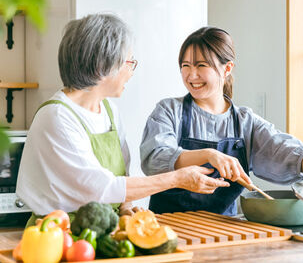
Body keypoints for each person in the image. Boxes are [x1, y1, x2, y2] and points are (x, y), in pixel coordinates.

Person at [16, 15, 230, 226]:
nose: (131, 71)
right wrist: (177, 178)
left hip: (105, 230)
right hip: (58, 234)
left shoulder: (108, 110)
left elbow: (121, 175)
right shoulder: (57, 117)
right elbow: (100, 188)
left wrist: (126, 208)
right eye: (129, 62)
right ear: (102, 65)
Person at [140, 26, 303, 216]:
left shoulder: (244, 121)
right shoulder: (168, 110)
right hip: (166, 229)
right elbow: (155, 157)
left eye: (201, 65)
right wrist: (208, 155)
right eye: (185, 65)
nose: (191, 75)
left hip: (226, 232)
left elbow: (282, 148)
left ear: (227, 68)